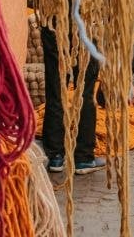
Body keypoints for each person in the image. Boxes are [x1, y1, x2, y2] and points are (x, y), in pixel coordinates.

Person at [40, 26, 106, 175]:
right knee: (85, 90)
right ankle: (83, 158)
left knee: (56, 88)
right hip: (84, 23)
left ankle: (55, 156)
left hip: (54, 22)